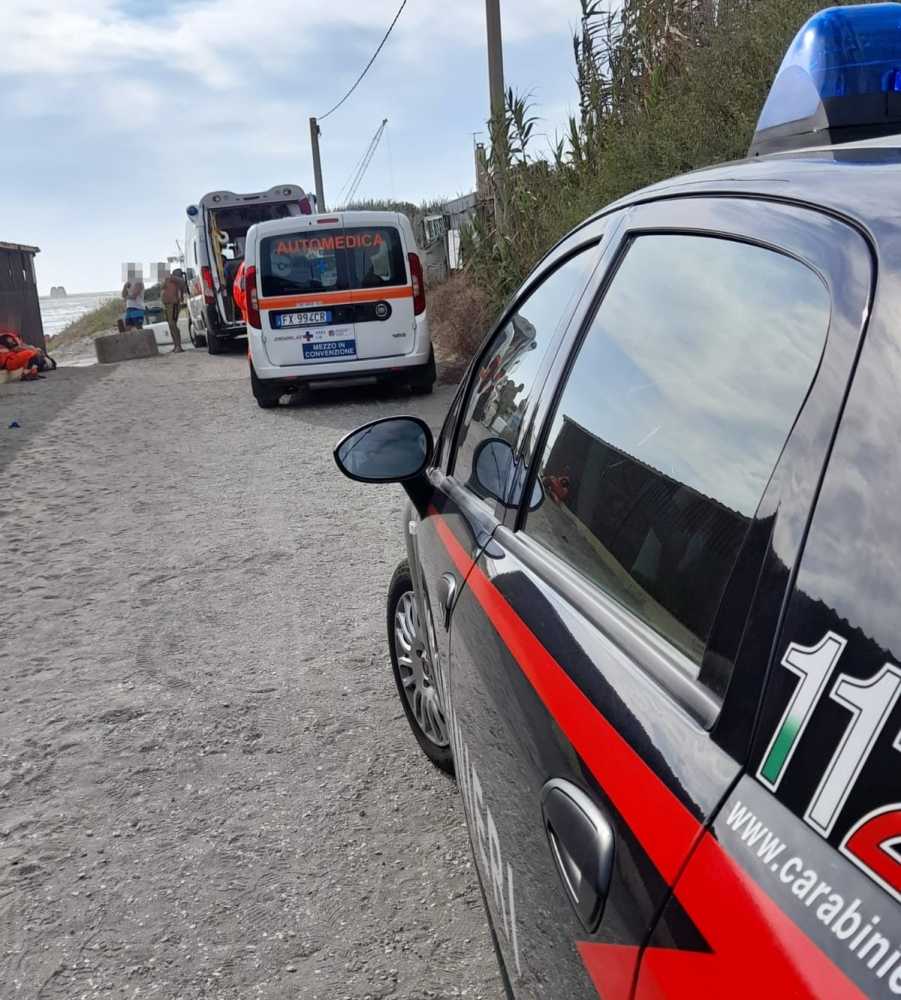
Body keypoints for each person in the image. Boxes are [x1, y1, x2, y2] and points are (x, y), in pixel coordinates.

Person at [161, 270, 186, 353]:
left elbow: (182, 283)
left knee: (173, 324)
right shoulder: (169, 280)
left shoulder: (177, 280)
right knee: (170, 325)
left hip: (174, 304)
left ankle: (179, 346)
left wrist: (170, 276)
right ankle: (175, 345)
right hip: (167, 305)